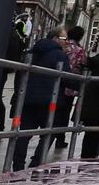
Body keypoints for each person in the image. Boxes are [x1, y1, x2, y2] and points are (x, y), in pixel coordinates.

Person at [9, 27, 70, 170]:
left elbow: (19, 76)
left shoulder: (31, 52)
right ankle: (35, 163)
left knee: (23, 134)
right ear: (55, 39)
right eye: (64, 39)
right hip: (49, 101)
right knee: (48, 133)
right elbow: (67, 78)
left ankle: (18, 166)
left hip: (27, 99)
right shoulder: (59, 55)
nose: (67, 42)